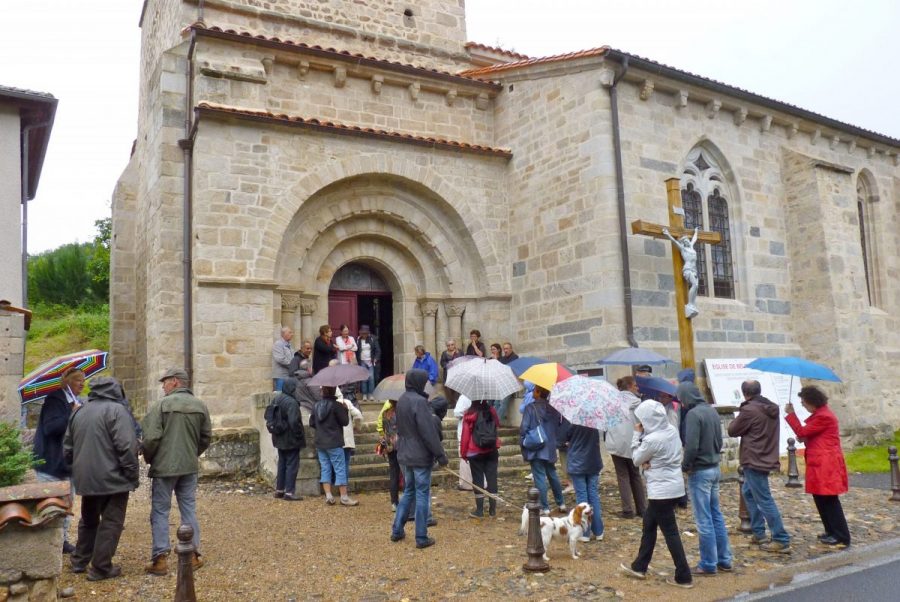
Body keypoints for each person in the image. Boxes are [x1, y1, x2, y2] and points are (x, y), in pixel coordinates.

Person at [64, 377, 138, 581]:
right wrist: (132, 474)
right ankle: (100, 567)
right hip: (113, 478)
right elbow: (126, 447)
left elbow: (67, 448)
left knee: (88, 520)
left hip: (86, 478)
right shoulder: (117, 411)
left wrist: (79, 469)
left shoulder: (79, 411)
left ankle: (79, 561)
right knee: (112, 522)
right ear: (116, 390)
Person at [142, 368, 213, 576]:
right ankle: (192, 555)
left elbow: (151, 438)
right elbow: (206, 437)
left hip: (164, 467)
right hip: (189, 466)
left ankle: (160, 559)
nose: (163, 386)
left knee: (160, 510)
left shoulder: (161, 405)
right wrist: (192, 453)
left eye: (164, 382)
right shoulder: (200, 405)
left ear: (174, 382)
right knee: (188, 508)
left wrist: (151, 458)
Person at [620, 400, 693, 589]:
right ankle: (639, 566)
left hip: (661, 491)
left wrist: (637, 435)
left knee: (670, 532)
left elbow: (636, 459)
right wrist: (649, 460)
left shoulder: (653, 439)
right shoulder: (670, 430)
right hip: (674, 486)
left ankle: (684, 576)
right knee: (649, 525)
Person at [727, 380, 791, 553]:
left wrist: (740, 415)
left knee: (764, 499)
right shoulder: (770, 407)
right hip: (765, 455)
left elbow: (732, 430)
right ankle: (759, 531)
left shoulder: (749, 410)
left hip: (754, 458)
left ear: (744, 393)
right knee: (748, 492)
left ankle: (780, 538)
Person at [785, 386, 850, 548]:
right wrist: (803, 436)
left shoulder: (824, 417)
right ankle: (830, 530)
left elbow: (802, 431)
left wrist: (791, 414)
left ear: (812, 402)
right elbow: (807, 434)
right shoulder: (820, 415)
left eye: (804, 402)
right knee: (820, 498)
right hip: (820, 462)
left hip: (826, 463)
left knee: (829, 499)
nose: (803, 405)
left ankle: (841, 535)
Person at [390, 369, 448, 549]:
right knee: (421, 493)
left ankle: (397, 530)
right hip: (419, 454)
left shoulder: (402, 400)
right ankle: (421, 536)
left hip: (405, 452)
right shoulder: (419, 402)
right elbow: (428, 431)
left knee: (408, 491)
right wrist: (440, 454)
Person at [681, 385, 733, 575]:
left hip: (700, 471)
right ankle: (725, 559)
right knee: (716, 515)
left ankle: (708, 563)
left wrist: (685, 466)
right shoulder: (711, 411)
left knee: (704, 519)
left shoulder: (693, 415)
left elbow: (691, 446)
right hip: (714, 467)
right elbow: (719, 441)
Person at [34, 367, 84, 554]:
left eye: (83, 379)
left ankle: (61, 540)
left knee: (67, 503)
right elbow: (51, 428)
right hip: (50, 463)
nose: (82, 383)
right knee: (53, 504)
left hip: (66, 464)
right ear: (67, 382)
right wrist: (72, 414)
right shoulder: (54, 399)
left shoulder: (75, 401)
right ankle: (50, 542)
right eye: (78, 379)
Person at [519, 385, 566, 515]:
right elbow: (558, 426)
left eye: (534, 390)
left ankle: (544, 507)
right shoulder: (554, 409)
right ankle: (561, 503)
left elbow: (524, 428)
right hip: (550, 447)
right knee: (552, 474)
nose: (533, 392)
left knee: (539, 477)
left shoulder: (530, 408)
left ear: (539, 393)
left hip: (536, 447)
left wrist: (523, 441)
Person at [605, 376, 647, 519]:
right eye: (635, 385)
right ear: (629, 387)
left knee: (622, 476)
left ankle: (628, 510)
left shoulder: (611, 403)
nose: (637, 388)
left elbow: (606, 423)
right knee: (635, 475)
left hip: (616, 443)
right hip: (633, 443)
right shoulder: (639, 404)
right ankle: (642, 508)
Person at [310, 385, 357, 506]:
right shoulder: (337, 405)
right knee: (340, 468)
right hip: (334, 441)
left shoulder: (316, 405)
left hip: (320, 441)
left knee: (325, 467)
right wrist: (345, 409)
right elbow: (345, 422)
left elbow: (312, 423)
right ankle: (344, 497)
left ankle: (328, 495)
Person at [560, 419, 604, 541]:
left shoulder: (574, 422)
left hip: (577, 462)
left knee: (582, 496)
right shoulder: (596, 422)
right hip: (593, 462)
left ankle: (584, 533)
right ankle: (598, 531)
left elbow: (564, 437)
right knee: (593, 495)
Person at [459, 399, 501, 518]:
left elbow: (465, 435)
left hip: (475, 451)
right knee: (492, 479)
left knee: (478, 480)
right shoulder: (492, 410)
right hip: (491, 449)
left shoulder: (469, 413)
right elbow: (497, 424)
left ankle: (480, 510)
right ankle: (492, 510)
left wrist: (463, 453)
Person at [270, 378, 306, 501]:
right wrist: (299, 435)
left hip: (278, 436)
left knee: (282, 463)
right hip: (290, 438)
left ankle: (279, 490)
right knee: (291, 464)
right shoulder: (292, 402)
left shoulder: (276, 398)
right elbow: (294, 422)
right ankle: (289, 492)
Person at [662, 226, 700, 319]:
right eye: (685, 240)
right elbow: (674, 242)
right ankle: (690, 304)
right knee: (694, 285)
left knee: (696, 286)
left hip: (694, 270)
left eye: (687, 240)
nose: (687, 241)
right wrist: (667, 234)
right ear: (683, 243)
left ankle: (692, 304)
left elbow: (694, 239)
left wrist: (696, 232)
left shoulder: (691, 247)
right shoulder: (683, 249)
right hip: (687, 269)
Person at [336, 385, 364, 488]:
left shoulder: (329, 404)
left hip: (334, 439)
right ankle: (344, 486)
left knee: (336, 465)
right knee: (345, 464)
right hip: (347, 439)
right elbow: (358, 415)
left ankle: (336, 487)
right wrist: (357, 427)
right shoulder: (346, 403)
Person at [376, 398, 401, 511]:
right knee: (406, 473)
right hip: (401, 445)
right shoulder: (401, 412)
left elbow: (382, 428)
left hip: (390, 446)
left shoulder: (386, 413)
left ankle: (394, 502)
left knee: (393, 474)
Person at [356, 325, 381, 401]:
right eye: (362, 333)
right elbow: (356, 350)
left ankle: (370, 394)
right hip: (362, 361)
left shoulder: (373, 339)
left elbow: (378, 350)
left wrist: (376, 358)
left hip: (370, 361)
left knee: (371, 378)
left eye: (365, 333)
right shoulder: (358, 339)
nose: (364, 335)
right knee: (364, 378)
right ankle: (364, 394)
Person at [272, 326, 294, 391]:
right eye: (290, 332)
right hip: (280, 376)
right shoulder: (278, 344)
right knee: (279, 394)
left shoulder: (289, 344)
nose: (292, 334)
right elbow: (280, 359)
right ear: (284, 334)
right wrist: (292, 365)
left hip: (288, 374)